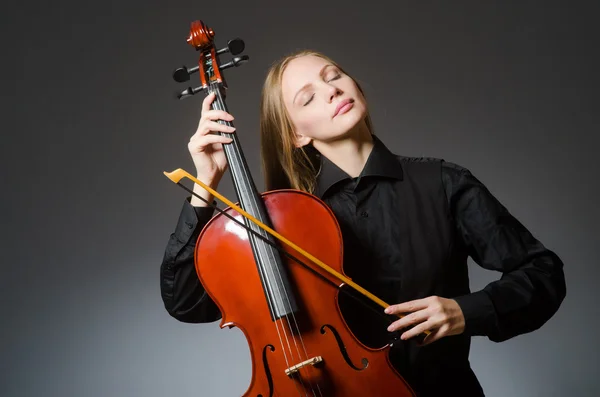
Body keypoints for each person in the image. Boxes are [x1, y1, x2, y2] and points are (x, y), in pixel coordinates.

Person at [159, 50, 566, 396]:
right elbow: (187, 304)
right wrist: (206, 184)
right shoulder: (281, 223)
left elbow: (543, 273)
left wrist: (466, 311)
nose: (332, 90)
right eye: (308, 97)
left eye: (333, 76)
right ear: (297, 134)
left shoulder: (443, 183)